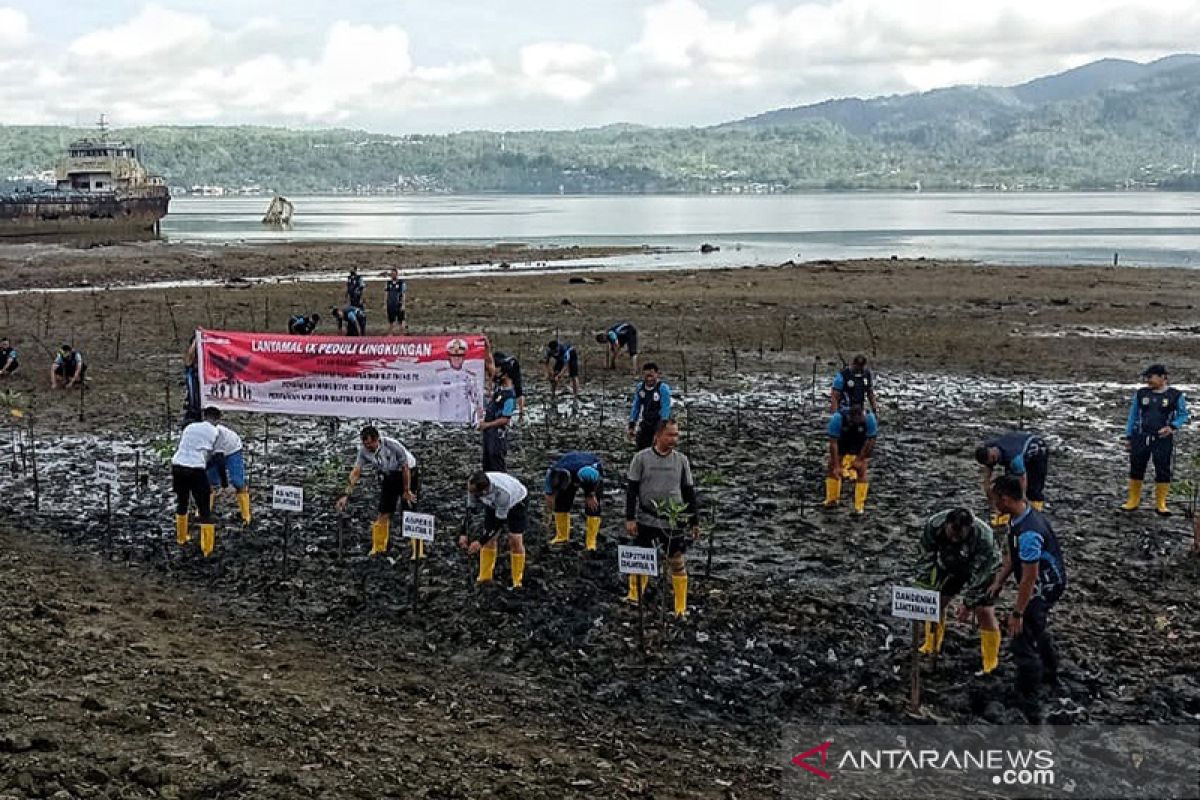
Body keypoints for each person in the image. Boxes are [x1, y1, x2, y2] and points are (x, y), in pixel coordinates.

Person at [987, 475, 1067, 719]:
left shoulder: (1030, 533)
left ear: (1006, 498)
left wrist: (1016, 613)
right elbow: (1014, 556)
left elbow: (1029, 579)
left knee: (1020, 635)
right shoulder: (1018, 518)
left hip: (1045, 584)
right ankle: (1051, 673)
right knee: (1036, 627)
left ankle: (1028, 693)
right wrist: (999, 581)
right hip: (1039, 580)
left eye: (994, 500)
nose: (992, 504)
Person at [913, 508, 1003, 674]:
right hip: (950, 564)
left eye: (959, 535)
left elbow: (983, 575)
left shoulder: (985, 538)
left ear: (970, 528)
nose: (954, 538)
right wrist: (924, 588)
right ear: (946, 525)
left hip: (983, 568)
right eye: (951, 534)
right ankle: (931, 644)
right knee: (936, 602)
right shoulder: (934, 525)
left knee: (984, 610)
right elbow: (925, 558)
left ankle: (990, 661)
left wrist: (968, 604)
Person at [625, 420, 700, 617]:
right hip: (646, 517)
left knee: (676, 560)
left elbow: (688, 491)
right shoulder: (641, 458)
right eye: (670, 435)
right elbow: (632, 490)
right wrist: (630, 517)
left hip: (673, 519)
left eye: (677, 435)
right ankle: (635, 596)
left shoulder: (681, 460)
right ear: (658, 435)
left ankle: (680, 606)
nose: (674, 439)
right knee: (641, 557)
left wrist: (694, 520)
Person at [336, 426, 419, 558]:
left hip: (407, 473)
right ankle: (379, 547)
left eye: (370, 444)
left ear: (377, 440)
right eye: (365, 444)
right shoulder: (363, 451)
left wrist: (406, 490)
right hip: (388, 474)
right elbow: (356, 471)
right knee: (383, 511)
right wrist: (347, 493)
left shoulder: (393, 446)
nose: (368, 447)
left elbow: (405, 468)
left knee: (409, 511)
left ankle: (417, 550)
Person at [1120, 364, 1190, 516]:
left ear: (1162, 377)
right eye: (1146, 377)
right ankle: (1133, 500)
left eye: (1150, 377)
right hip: (1141, 436)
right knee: (1136, 467)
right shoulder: (1141, 394)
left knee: (1163, 469)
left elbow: (1184, 414)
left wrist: (1172, 427)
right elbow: (1133, 416)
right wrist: (1129, 437)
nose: (1148, 381)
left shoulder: (1175, 395)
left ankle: (1161, 503)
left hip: (1162, 439)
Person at [461, 471, 528, 589]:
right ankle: (484, 577)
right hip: (492, 504)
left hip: (517, 501)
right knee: (489, 540)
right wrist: (463, 533)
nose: (470, 494)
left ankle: (517, 581)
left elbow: (498, 523)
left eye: (473, 493)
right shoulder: (473, 487)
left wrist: (480, 542)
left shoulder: (503, 494)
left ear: (484, 491)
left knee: (515, 540)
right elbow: (469, 510)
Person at [171, 406, 221, 556]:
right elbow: (216, 456)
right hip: (195, 469)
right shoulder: (215, 432)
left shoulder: (190, 427)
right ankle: (207, 549)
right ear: (218, 420)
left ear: (204, 416)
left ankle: (181, 538)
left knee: (182, 501)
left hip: (178, 465)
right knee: (204, 508)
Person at [975, 431, 1050, 516]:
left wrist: (1022, 497)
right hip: (1016, 442)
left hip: (1038, 450)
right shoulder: (987, 448)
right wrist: (989, 493)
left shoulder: (1014, 459)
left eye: (993, 461)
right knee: (1009, 482)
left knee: (1034, 486)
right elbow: (987, 477)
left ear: (994, 456)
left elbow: (1022, 477)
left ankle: (1036, 509)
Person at [824, 403, 877, 514]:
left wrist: (860, 459)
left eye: (860, 420)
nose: (858, 422)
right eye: (855, 421)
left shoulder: (870, 419)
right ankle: (832, 500)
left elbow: (871, 441)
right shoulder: (838, 418)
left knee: (862, 469)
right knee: (831, 466)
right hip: (843, 440)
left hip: (860, 442)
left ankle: (859, 506)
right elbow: (833, 443)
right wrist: (837, 465)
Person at [545, 452, 603, 550]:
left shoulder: (587, 472)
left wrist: (590, 494)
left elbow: (595, 480)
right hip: (568, 466)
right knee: (561, 503)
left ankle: (591, 542)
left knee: (593, 505)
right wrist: (550, 507)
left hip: (591, 473)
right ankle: (561, 536)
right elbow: (549, 496)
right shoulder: (551, 474)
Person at [206, 420, 251, 525]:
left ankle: (246, 515)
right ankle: (204, 511)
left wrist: (224, 484)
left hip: (232, 448)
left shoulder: (217, 435)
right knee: (209, 482)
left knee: (237, 481)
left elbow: (220, 461)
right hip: (214, 454)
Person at [628, 362, 672, 452]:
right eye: (646, 376)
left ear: (656, 375)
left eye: (651, 376)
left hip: (659, 422)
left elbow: (666, 409)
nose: (649, 379)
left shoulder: (663, 389)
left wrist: (661, 429)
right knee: (641, 447)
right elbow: (636, 406)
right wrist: (632, 424)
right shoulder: (640, 388)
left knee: (658, 449)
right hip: (646, 421)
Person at [480, 368, 516, 472]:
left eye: (498, 371)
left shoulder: (509, 397)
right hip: (489, 433)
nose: (496, 373)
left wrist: (487, 425)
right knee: (487, 460)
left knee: (495, 458)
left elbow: (505, 419)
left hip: (497, 434)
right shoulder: (500, 389)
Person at [488, 350, 525, 420]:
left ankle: (520, 412)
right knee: (517, 390)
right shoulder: (497, 362)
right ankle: (520, 412)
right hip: (510, 363)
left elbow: (493, 377)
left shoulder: (500, 366)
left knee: (517, 390)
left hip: (511, 368)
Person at [182, 335, 201, 424]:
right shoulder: (191, 367)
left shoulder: (205, 366)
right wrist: (198, 338)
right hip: (192, 406)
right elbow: (190, 356)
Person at [385, 268, 407, 335]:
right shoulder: (388, 283)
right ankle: (390, 334)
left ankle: (402, 334)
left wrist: (403, 304)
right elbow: (386, 294)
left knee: (401, 321)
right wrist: (385, 304)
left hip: (398, 304)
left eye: (394, 274)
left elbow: (403, 294)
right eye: (392, 274)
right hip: (390, 305)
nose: (393, 275)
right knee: (390, 321)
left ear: (397, 274)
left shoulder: (401, 283)